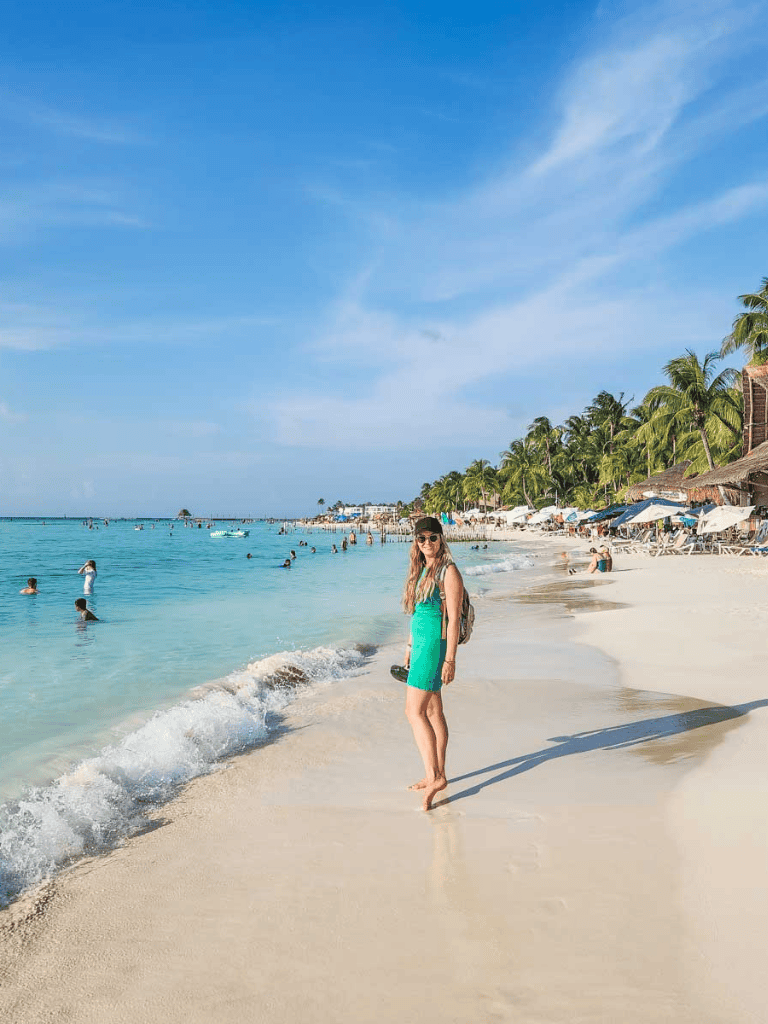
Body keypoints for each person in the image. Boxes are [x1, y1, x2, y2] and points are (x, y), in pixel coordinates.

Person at [401, 516, 463, 811]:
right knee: (433, 710)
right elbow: (418, 616)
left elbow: (452, 622)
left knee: (413, 712)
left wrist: (450, 659)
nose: (427, 543)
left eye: (433, 538)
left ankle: (435, 776)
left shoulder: (449, 572)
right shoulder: (423, 567)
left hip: (433, 650)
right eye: (421, 538)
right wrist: (409, 646)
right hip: (421, 647)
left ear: (442, 538)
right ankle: (436, 774)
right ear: (416, 541)